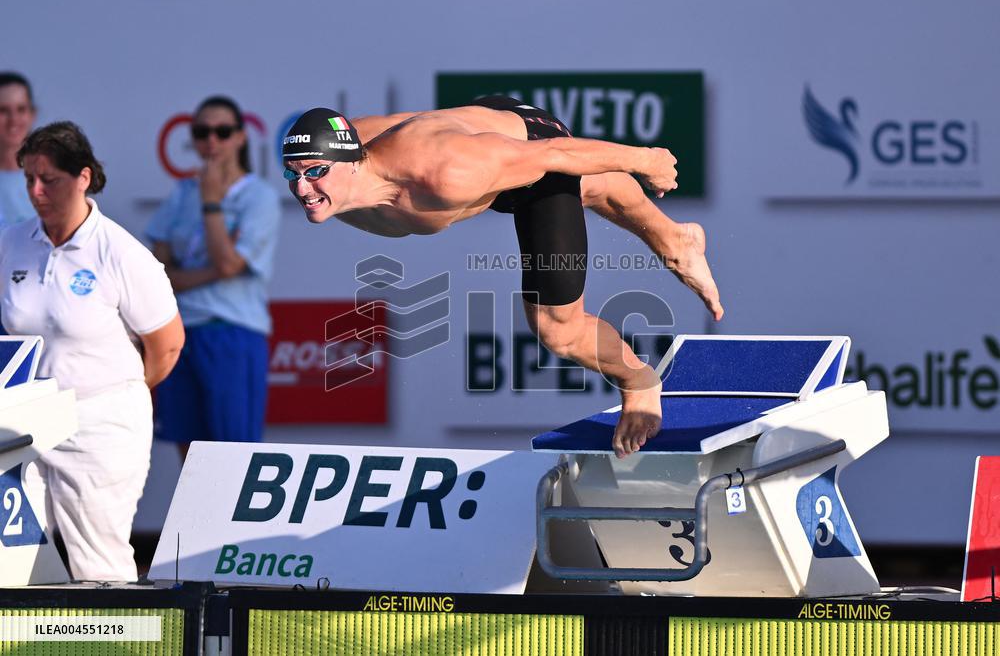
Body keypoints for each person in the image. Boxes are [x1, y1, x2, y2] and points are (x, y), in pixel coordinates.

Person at [281, 97, 725, 458]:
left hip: (532, 145)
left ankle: (639, 382)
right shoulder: (346, 166)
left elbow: (555, 154)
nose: (303, 188)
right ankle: (676, 239)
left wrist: (647, 160)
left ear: (351, 162)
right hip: (487, 135)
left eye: (316, 173)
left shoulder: (442, 172)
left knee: (558, 329)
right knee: (590, 187)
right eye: (293, 173)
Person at [0, 121, 184, 581]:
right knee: (13, 560)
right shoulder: (11, 244)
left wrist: (114, 394)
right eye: (29, 178)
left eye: (49, 179)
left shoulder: (121, 253)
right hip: (24, 422)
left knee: (98, 564)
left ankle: (116, 629)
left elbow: (167, 346)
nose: (36, 191)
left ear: (83, 177)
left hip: (101, 423)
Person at [147, 96, 281, 458]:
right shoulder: (182, 193)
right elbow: (161, 275)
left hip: (232, 333)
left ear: (240, 136)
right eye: (201, 132)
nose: (211, 141)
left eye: (222, 132)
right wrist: (214, 272)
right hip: (180, 333)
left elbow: (227, 264)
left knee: (233, 457)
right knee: (190, 455)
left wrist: (211, 203)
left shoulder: (259, 197)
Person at [0, 72, 37, 228]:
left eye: (21, 109)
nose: (13, 119)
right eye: (3, 110)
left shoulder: (58, 177)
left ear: (33, 114)